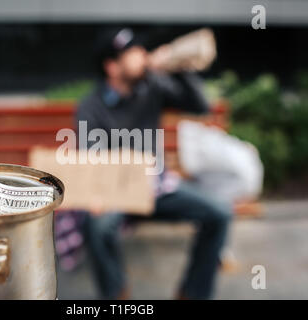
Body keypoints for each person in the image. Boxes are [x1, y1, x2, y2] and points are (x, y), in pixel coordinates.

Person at [76, 27, 232, 300]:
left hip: (158, 189)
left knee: (219, 213)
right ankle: (116, 296)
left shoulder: (152, 86)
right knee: (97, 226)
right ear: (112, 67)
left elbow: (199, 105)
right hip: (118, 194)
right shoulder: (91, 106)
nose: (142, 55)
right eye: (132, 52)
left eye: (140, 49)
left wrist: (175, 66)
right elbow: (91, 160)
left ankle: (192, 294)